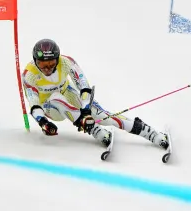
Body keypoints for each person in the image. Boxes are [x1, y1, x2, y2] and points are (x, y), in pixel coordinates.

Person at [22, 38, 169, 150]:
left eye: (51, 64)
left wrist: (86, 110)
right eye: (42, 64)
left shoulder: (66, 62)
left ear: (58, 59)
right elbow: (34, 105)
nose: (47, 68)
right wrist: (43, 122)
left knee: (101, 115)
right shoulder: (30, 74)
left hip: (67, 93)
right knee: (56, 98)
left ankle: (150, 133)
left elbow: (84, 87)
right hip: (49, 107)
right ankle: (93, 129)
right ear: (35, 61)